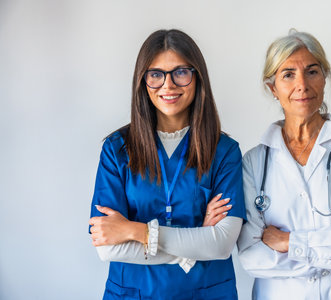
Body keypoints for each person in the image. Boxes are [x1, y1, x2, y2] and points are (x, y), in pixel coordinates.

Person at [89, 29, 246, 300]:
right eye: (156, 74)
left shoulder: (224, 152)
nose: (168, 85)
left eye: (181, 72)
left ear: (198, 77)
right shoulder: (117, 149)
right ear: (143, 81)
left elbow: (221, 244)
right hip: (134, 293)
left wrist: (136, 231)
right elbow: (108, 248)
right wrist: (195, 245)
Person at [237, 29, 331, 300]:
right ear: (272, 88)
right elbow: (252, 258)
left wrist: (289, 243)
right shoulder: (254, 162)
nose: (302, 85)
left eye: (312, 71)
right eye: (288, 75)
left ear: (324, 77)